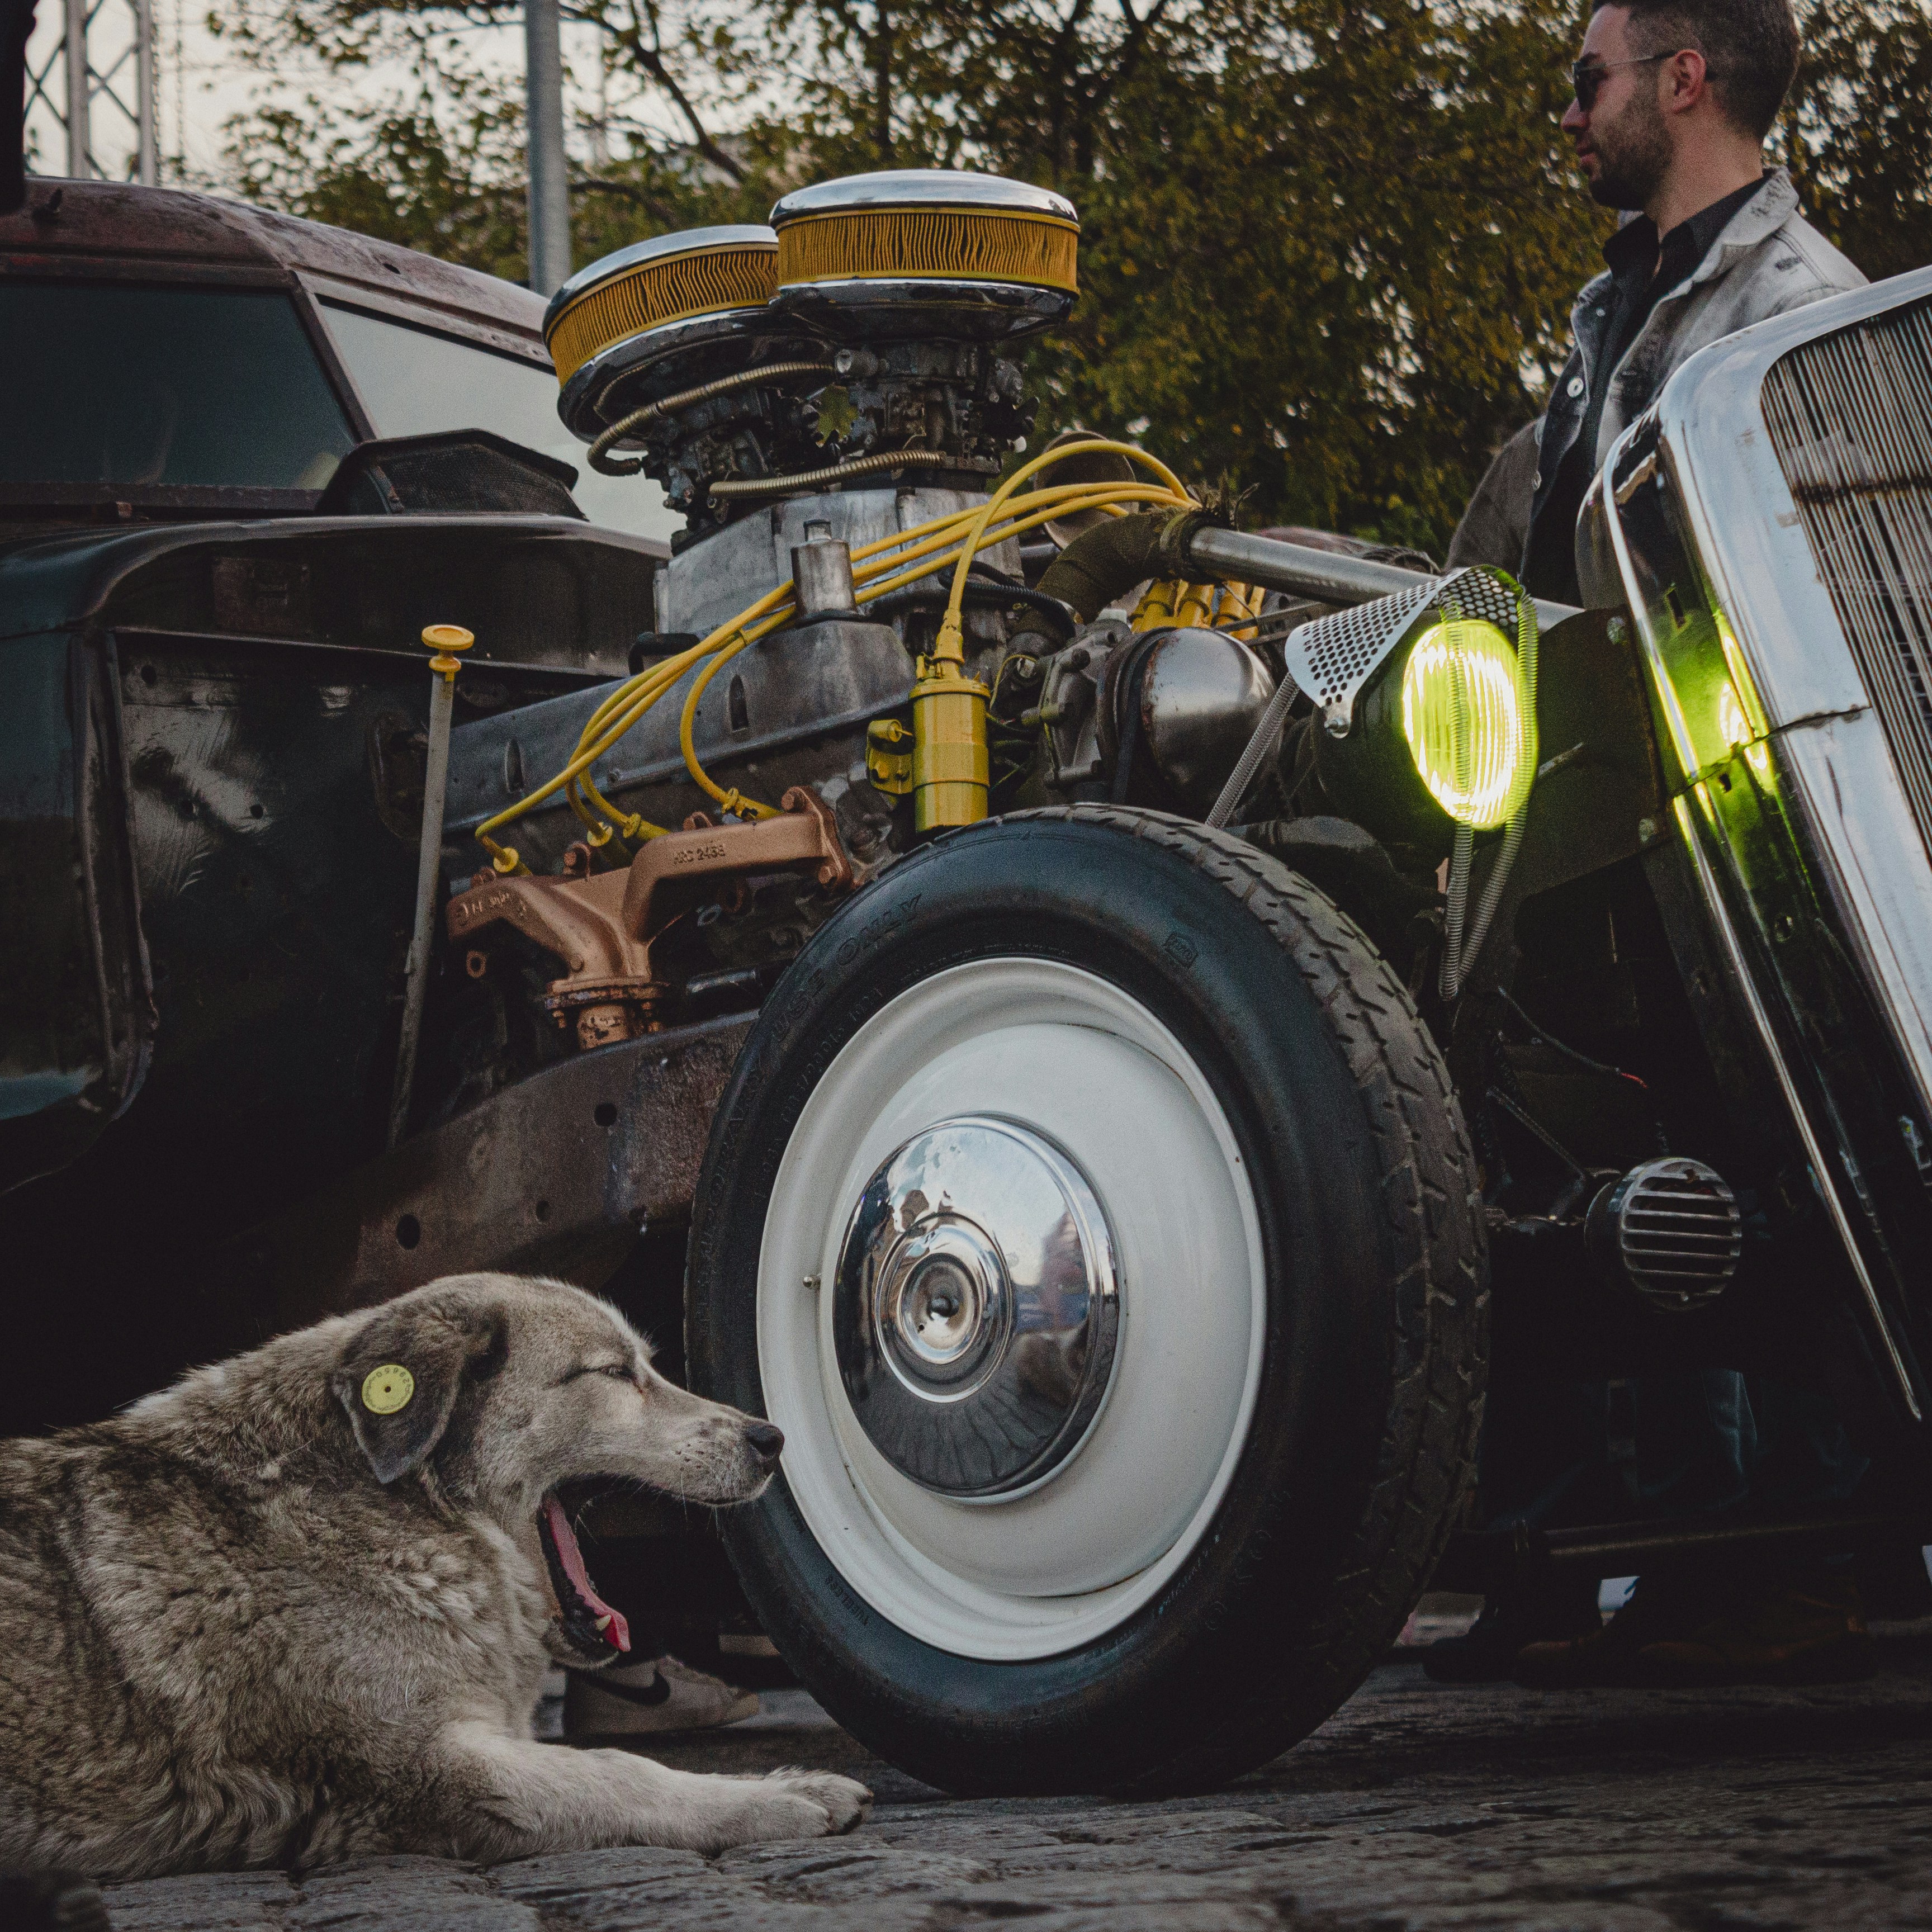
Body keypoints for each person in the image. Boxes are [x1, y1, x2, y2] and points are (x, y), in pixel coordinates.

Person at [1429, 0, 1874, 1688]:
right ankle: (1564, 1551)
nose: (1569, 113)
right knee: (1547, 1173)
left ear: (1683, 80)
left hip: (1737, 840)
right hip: (1576, 831)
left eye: (1587, 78)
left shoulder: (1799, 314)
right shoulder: (1617, 304)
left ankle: (1785, 1553)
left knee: (1770, 1161)